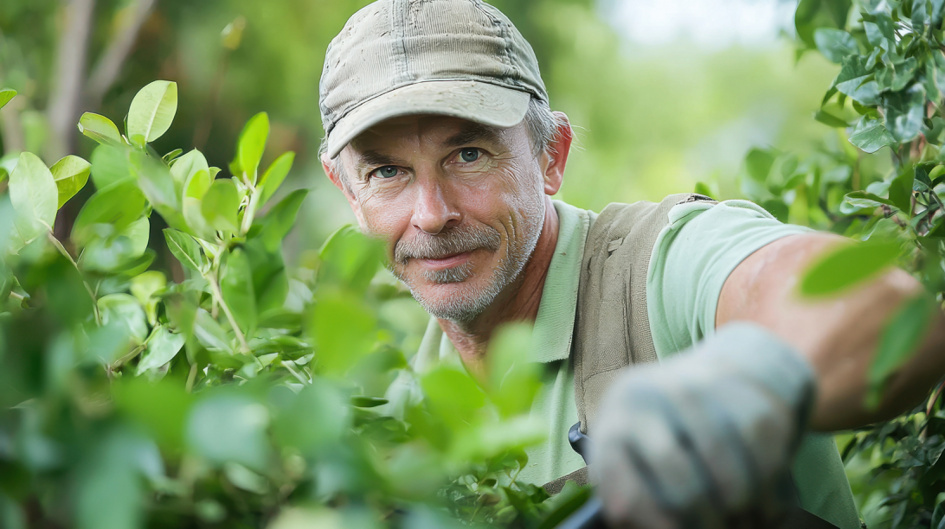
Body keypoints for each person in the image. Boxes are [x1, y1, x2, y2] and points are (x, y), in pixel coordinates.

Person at [316, 0, 945, 527]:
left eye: (470, 155)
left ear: (551, 156)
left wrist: (746, 381)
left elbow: (890, 318)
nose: (430, 214)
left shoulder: (659, 267)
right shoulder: (392, 409)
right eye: (387, 171)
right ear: (348, 192)